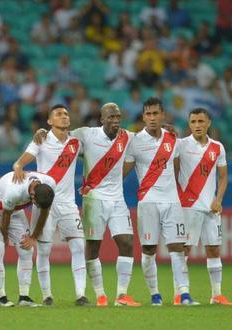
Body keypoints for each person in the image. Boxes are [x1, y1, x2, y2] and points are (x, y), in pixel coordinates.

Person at [12, 104, 88, 306]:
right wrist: (18, 165)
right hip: (45, 203)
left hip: (68, 204)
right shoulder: (41, 139)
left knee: (79, 246)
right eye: (58, 114)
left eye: (66, 114)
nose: (64, 116)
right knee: (44, 251)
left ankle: (81, 294)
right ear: (49, 121)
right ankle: (47, 295)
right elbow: (23, 160)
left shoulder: (76, 143)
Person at [126, 97, 197, 306]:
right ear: (143, 117)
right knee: (149, 251)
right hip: (148, 202)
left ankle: (184, 294)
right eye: (148, 114)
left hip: (172, 203)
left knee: (177, 248)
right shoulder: (135, 142)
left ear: (163, 115)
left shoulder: (173, 139)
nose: (152, 118)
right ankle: (155, 294)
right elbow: (122, 172)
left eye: (156, 113)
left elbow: (176, 170)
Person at [73, 103, 140, 307]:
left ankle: (121, 295)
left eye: (118, 117)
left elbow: (151, 135)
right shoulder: (86, 134)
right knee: (93, 246)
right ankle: (100, 295)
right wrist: (42, 132)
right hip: (93, 200)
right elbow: (60, 135)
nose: (115, 120)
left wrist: (167, 129)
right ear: (101, 119)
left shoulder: (127, 137)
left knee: (127, 242)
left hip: (118, 200)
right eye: (110, 117)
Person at [173, 108, 232, 305]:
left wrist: (219, 199)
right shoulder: (180, 145)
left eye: (200, 121)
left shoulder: (218, 147)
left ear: (209, 123)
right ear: (189, 124)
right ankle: (180, 294)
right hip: (188, 206)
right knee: (185, 250)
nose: (197, 125)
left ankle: (216, 295)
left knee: (214, 249)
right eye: (193, 121)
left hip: (211, 207)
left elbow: (223, 176)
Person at [0, 171, 56, 307]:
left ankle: (24, 297)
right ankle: (1, 298)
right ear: (32, 195)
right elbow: (5, 217)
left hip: (13, 210)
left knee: (26, 249)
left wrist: (33, 237)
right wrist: (5, 236)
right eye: (36, 204)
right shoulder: (14, 191)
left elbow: (44, 211)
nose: (36, 207)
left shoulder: (49, 184)